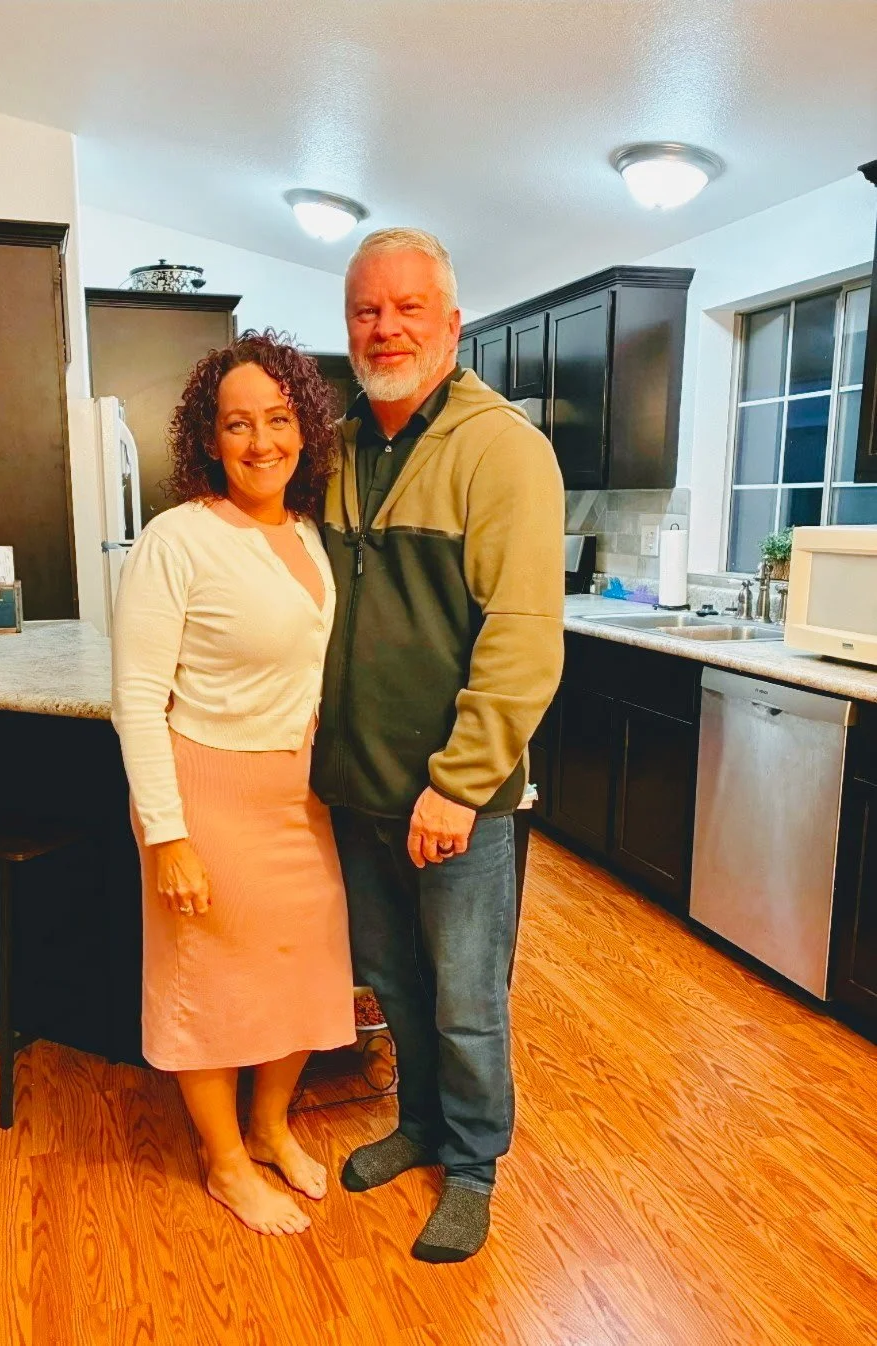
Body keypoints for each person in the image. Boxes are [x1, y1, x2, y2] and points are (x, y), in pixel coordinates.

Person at [311, 228, 565, 1262]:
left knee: (465, 997)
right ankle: (417, 1123)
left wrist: (457, 784)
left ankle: (470, 1166)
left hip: (455, 797)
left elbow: (522, 635)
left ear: (451, 324)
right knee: (392, 978)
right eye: (366, 309)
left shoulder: (501, 447)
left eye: (408, 307)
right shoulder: (336, 447)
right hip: (357, 782)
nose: (386, 327)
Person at [112, 331, 355, 1237]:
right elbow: (137, 699)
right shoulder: (176, 539)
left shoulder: (308, 534)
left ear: (305, 428)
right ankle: (222, 1161)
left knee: (301, 969)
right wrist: (167, 835)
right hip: (205, 788)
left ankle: (268, 1127)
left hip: (301, 792)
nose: (261, 442)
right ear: (208, 439)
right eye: (238, 424)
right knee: (210, 981)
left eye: (279, 419)